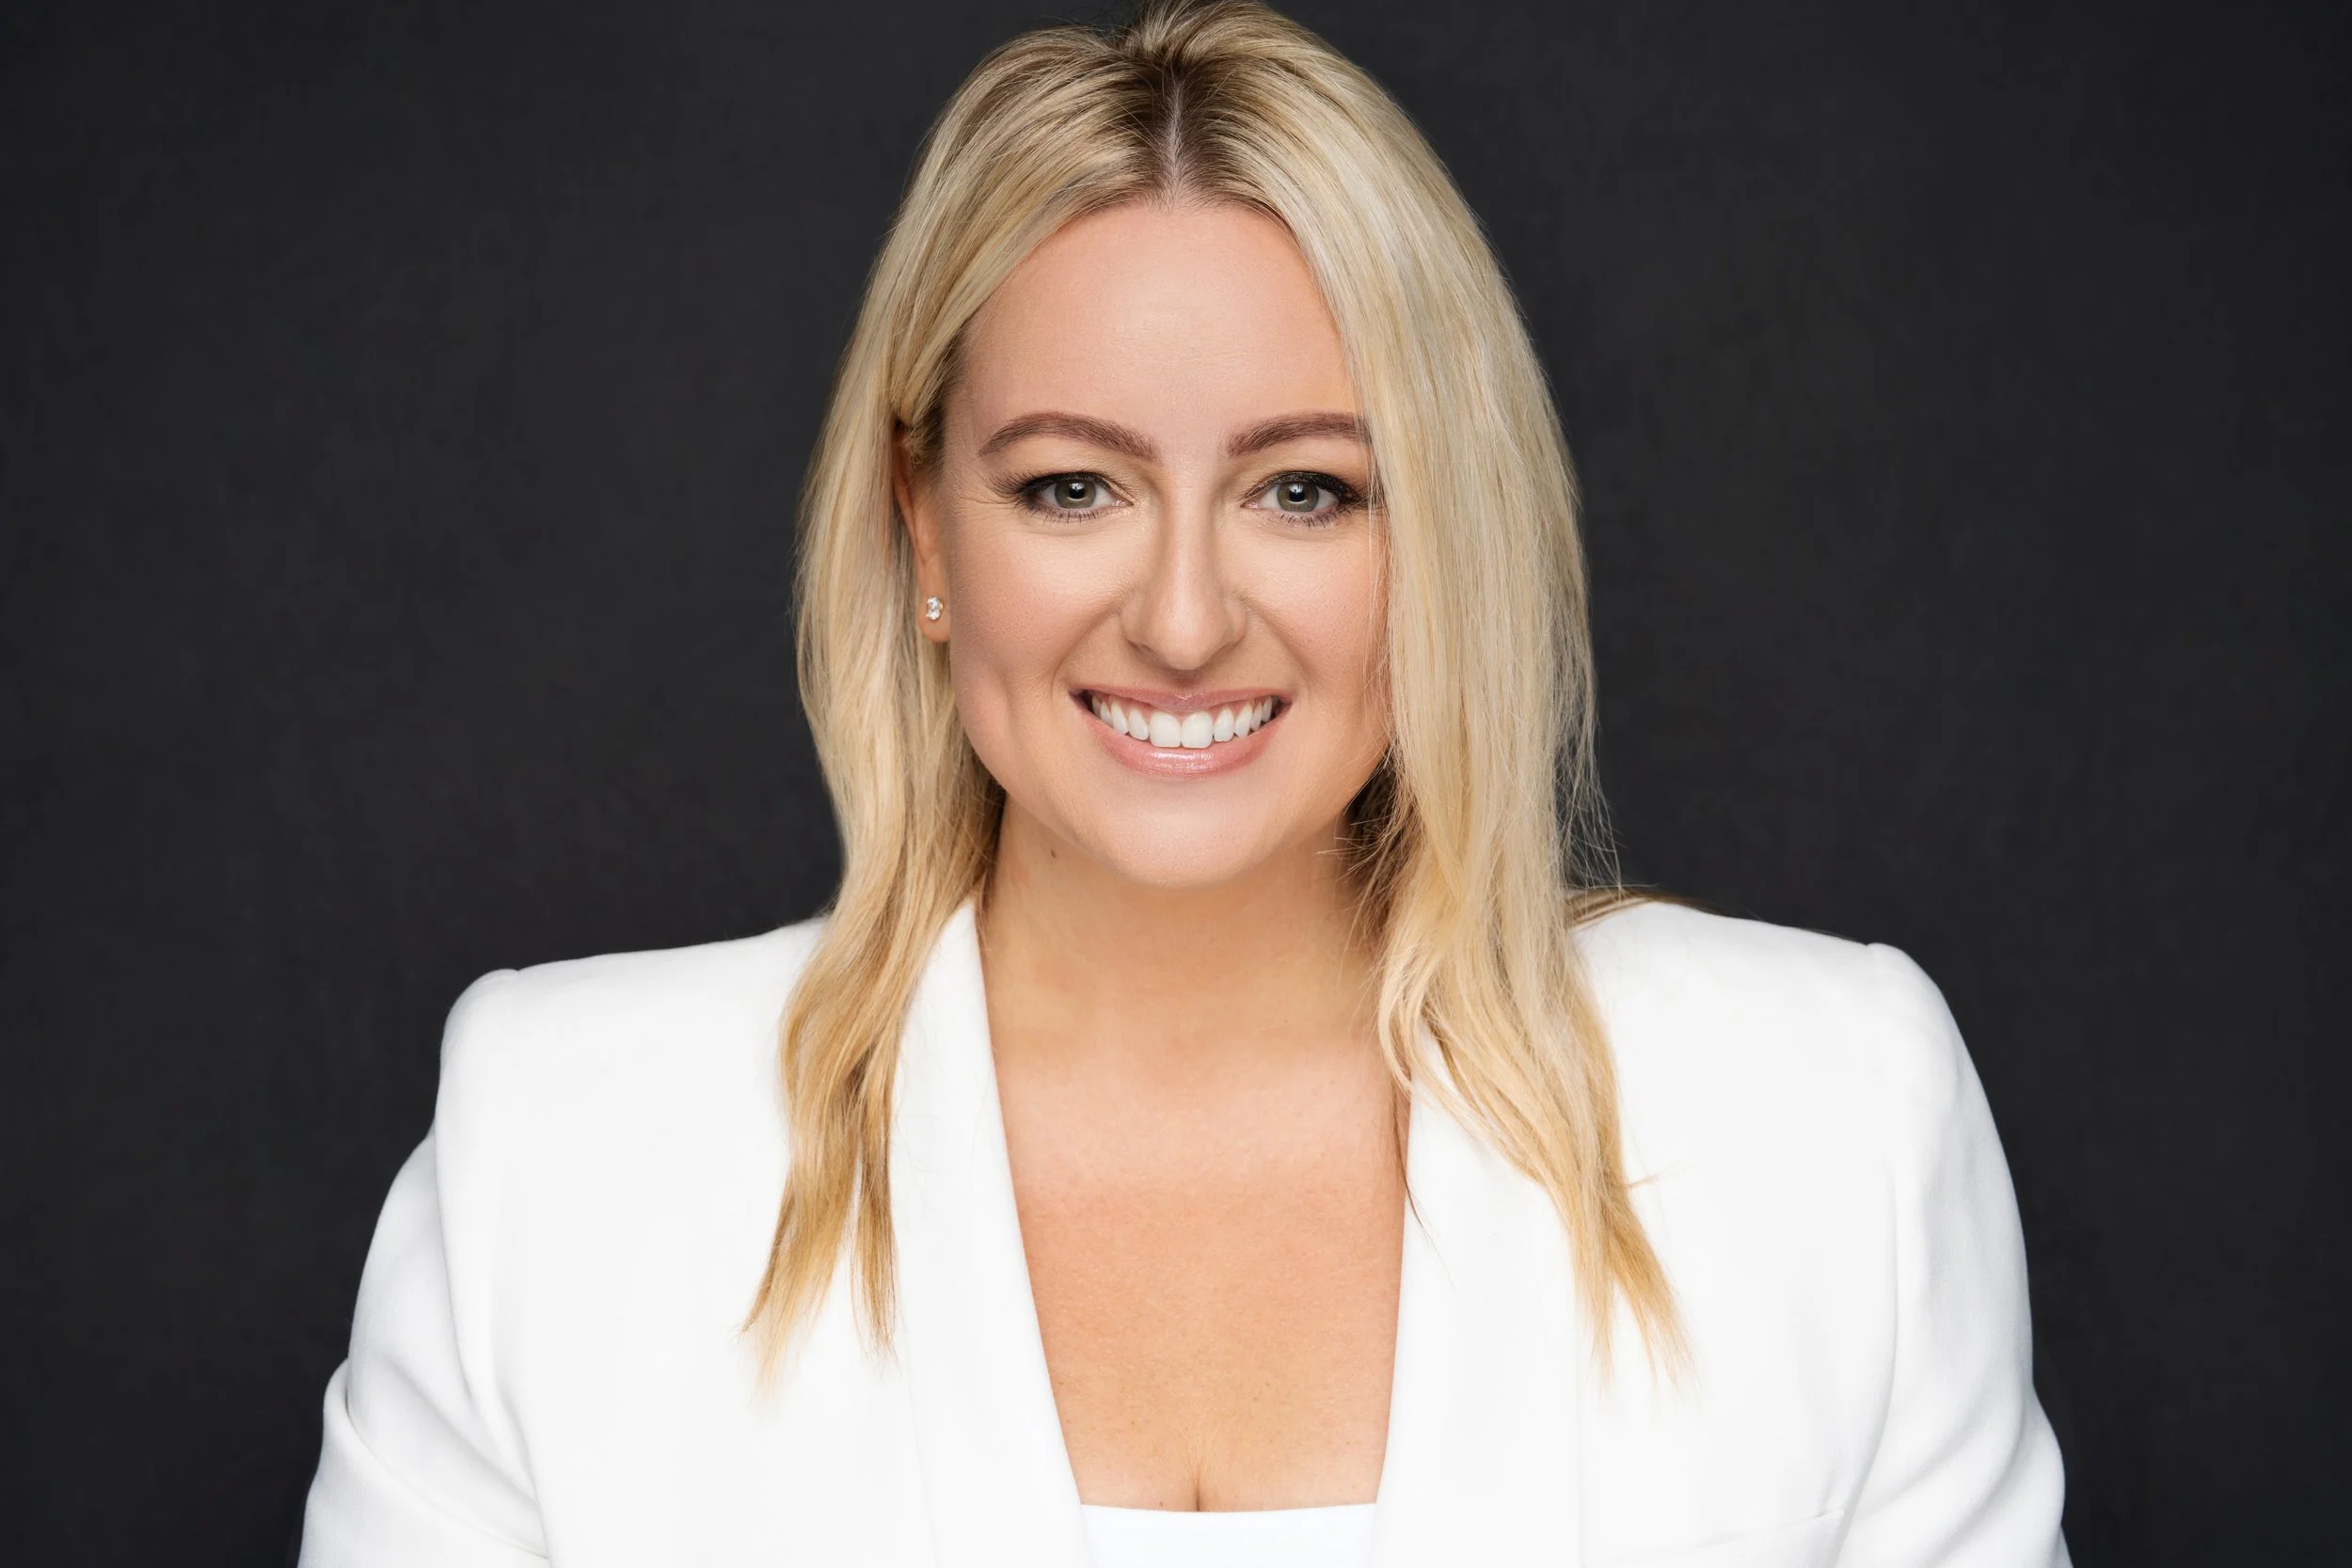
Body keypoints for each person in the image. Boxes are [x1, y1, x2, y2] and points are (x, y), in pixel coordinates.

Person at [296, 4, 2070, 1563]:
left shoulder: (1835, 1119)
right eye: (1073, 486)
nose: (1185, 618)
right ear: (925, 528)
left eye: (1305, 490)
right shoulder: (561, 1155)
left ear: (1442, 534)